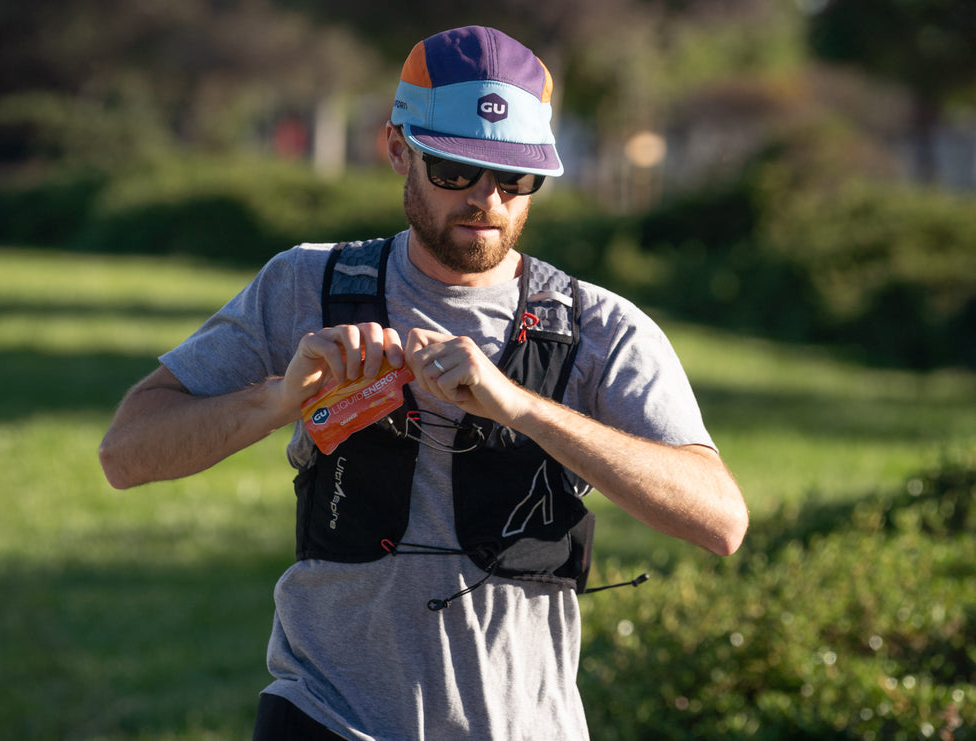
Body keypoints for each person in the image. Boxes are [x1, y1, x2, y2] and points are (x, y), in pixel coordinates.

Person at [99, 25, 748, 741]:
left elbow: (720, 519)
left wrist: (521, 406)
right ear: (398, 149)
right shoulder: (304, 285)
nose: (486, 200)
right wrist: (278, 399)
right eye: (455, 171)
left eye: (514, 178)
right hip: (326, 717)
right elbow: (126, 453)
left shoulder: (599, 328)